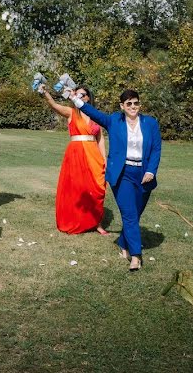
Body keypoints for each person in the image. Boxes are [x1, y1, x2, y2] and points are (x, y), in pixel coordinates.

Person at [70, 88, 161, 271]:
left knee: (135, 214)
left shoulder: (150, 123)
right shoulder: (114, 121)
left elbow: (156, 149)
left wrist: (151, 171)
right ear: (122, 106)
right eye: (129, 103)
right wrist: (74, 99)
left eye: (136, 103)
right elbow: (92, 112)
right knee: (129, 214)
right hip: (123, 174)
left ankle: (123, 242)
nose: (133, 106)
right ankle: (135, 256)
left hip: (144, 175)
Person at [38, 84, 108, 235]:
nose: (80, 97)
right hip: (76, 154)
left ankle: (97, 223)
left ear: (89, 98)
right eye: (78, 94)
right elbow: (54, 105)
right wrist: (45, 93)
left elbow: (100, 139)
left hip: (94, 155)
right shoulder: (71, 112)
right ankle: (76, 220)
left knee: (97, 188)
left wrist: (104, 159)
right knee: (77, 188)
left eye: (83, 95)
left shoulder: (96, 115)